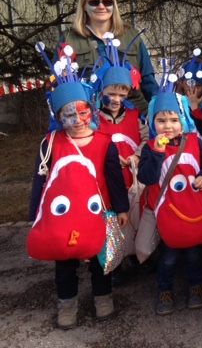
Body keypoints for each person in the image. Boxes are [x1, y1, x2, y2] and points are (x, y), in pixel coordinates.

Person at [28, 44, 128, 329]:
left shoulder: (104, 143)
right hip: (63, 216)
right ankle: (67, 303)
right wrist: (35, 214)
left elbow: (114, 178)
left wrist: (121, 208)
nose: (77, 120)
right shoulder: (51, 143)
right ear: (58, 117)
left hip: (99, 212)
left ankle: (103, 298)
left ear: (91, 110)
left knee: (100, 260)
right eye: (68, 115)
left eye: (82, 112)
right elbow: (40, 179)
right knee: (65, 263)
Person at [137, 78, 202, 316]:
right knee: (168, 258)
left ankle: (196, 287)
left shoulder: (194, 142)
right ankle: (164, 289)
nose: (168, 126)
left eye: (174, 120)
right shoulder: (150, 147)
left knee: (194, 255)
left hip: (192, 210)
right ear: (153, 122)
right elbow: (146, 177)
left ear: (183, 119)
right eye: (161, 120)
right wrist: (157, 152)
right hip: (167, 213)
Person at [92, 34, 149, 283]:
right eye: (112, 94)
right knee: (112, 219)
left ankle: (135, 256)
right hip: (107, 180)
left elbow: (146, 139)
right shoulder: (94, 120)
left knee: (135, 216)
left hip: (133, 178)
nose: (116, 100)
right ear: (101, 91)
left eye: (122, 95)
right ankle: (113, 261)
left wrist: (136, 155)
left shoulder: (134, 116)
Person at [63, 0, 158, 114]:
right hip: (91, 117)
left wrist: (161, 109)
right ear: (84, 5)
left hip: (134, 114)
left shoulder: (132, 36)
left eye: (107, 2)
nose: (101, 6)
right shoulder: (69, 39)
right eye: (94, 2)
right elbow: (61, 86)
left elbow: (148, 80)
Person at [175, 48, 202, 150]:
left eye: (198, 85)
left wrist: (195, 108)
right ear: (182, 84)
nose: (192, 89)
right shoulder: (175, 103)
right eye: (189, 84)